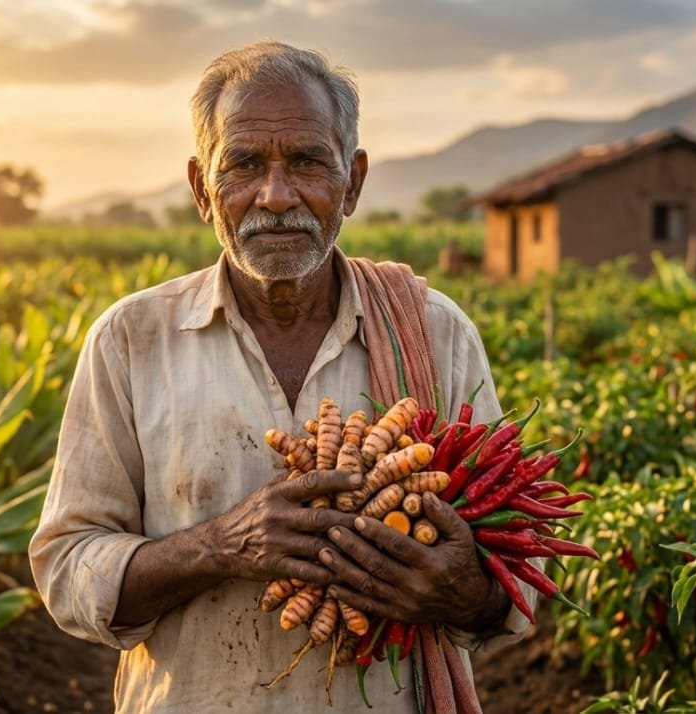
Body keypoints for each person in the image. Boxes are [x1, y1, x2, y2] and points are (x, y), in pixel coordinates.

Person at [28, 40, 536, 713]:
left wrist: (464, 589)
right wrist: (221, 546)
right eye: (242, 165)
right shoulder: (130, 341)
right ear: (201, 191)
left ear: (351, 183)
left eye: (306, 162)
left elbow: (515, 573)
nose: (275, 196)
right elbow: (67, 570)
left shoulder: (436, 334)